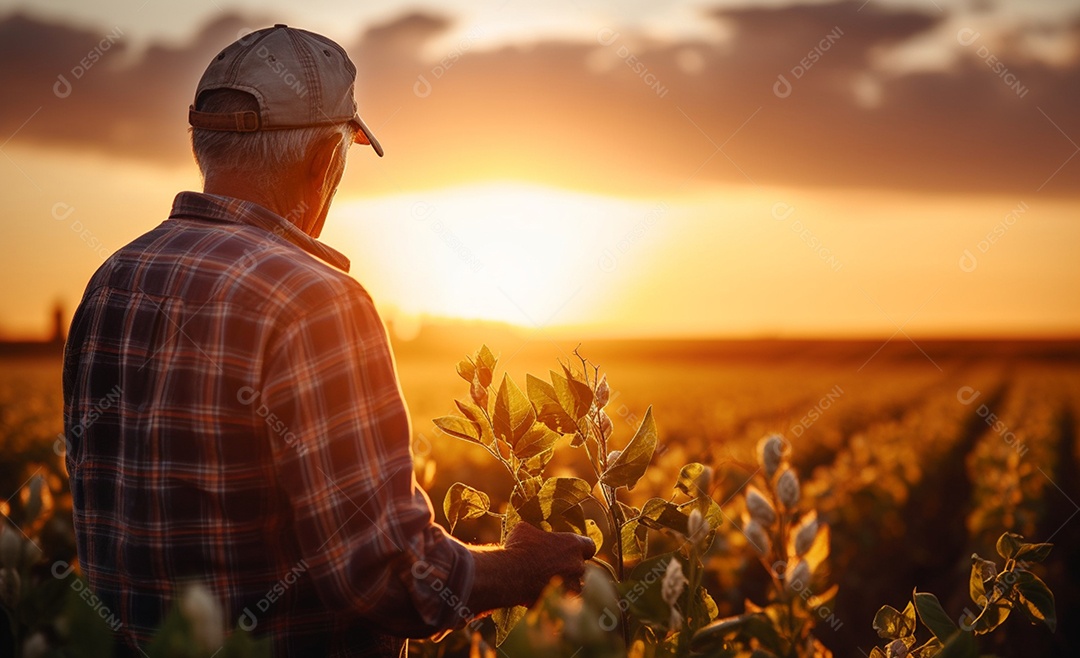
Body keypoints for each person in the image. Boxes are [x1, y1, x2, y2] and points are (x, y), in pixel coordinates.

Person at [62, 24, 594, 657]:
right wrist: (524, 569)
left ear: (205, 145)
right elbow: (391, 576)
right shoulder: (315, 302)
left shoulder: (112, 281)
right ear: (327, 162)